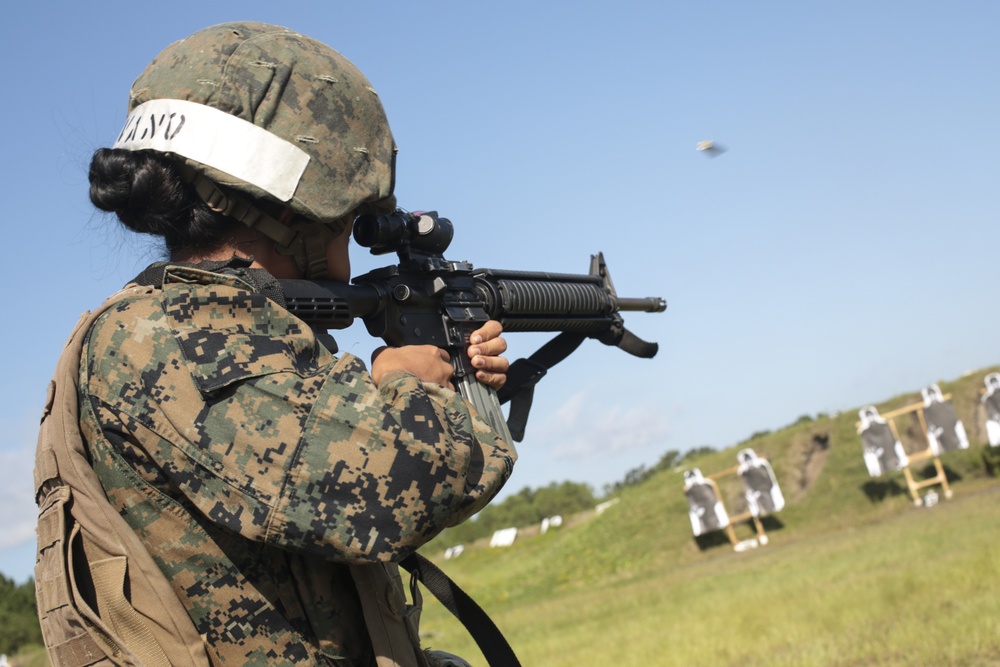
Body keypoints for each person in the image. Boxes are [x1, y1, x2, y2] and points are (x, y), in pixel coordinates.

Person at [66, 21, 516, 667]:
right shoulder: (168, 336)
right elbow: (410, 486)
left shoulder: (210, 326)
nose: (351, 243)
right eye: (349, 221)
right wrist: (407, 379)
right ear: (295, 207)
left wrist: (451, 378)